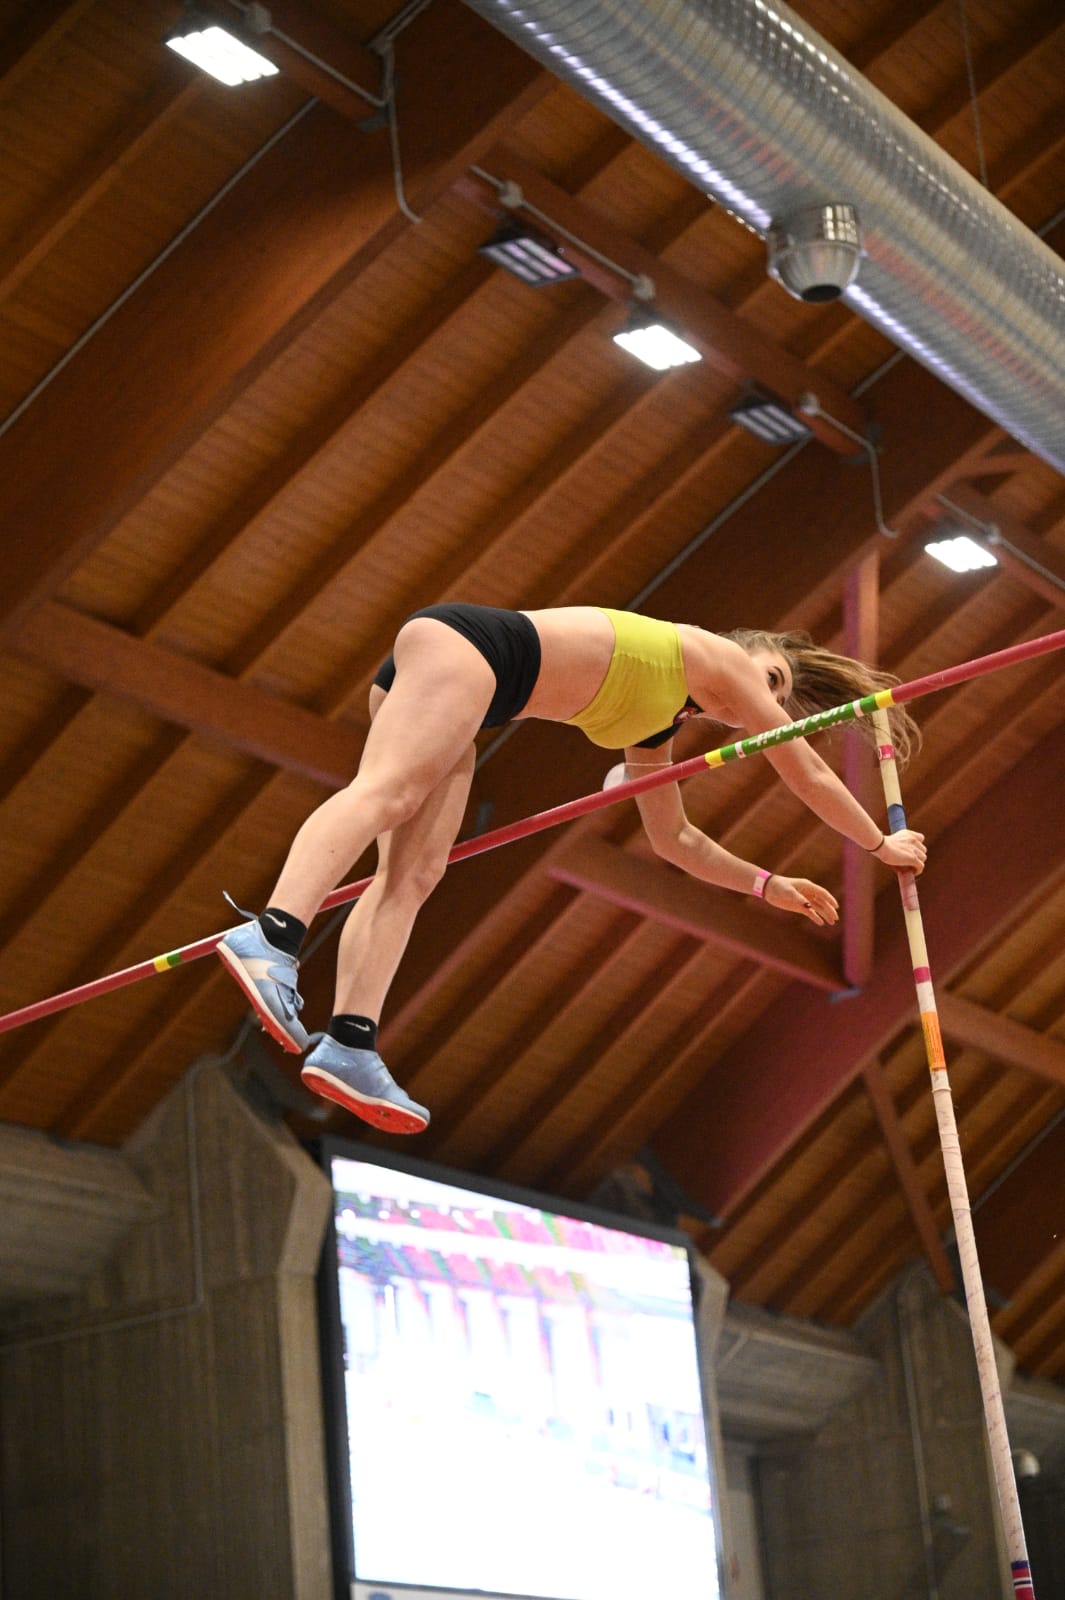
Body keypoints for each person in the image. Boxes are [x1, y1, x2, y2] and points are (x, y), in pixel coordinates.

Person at [217, 603, 926, 1134]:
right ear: (746, 655)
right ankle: (272, 936)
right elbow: (807, 775)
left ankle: (350, 1042)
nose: (766, 700)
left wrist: (766, 885)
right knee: (388, 793)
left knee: (414, 875)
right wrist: (877, 846)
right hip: (467, 649)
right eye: (771, 679)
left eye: (777, 693)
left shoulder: (657, 726)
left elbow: (675, 839)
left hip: (470, 690)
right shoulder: (715, 656)